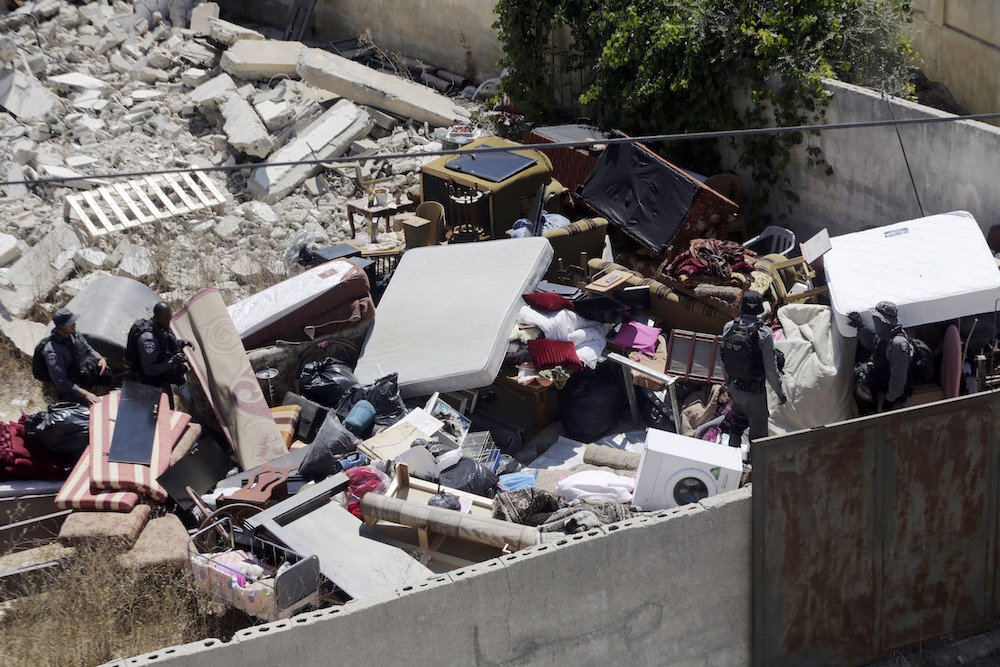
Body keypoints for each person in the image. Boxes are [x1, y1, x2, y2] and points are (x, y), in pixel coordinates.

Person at [720, 291, 787, 446]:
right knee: (758, 437)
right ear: (758, 308)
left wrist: (728, 384)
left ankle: (732, 459)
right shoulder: (764, 333)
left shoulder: (729, 327)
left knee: (737, 423)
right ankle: (756, 467)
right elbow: (770, 368)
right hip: (755, 391)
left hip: (735, 387)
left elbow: (723, 359)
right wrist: (779, 392)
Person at [848, 301, 912, 412]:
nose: (875, 322)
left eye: (877, 319)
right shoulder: (885, 337)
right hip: (880, 389)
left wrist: (889, 401)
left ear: (884, 322)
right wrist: (861, 326)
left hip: (890, 398)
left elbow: (898, 378)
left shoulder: (898, 344)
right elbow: (872, 342)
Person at [42, 307, 109, 405]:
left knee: (107, 374)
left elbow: (87, 348)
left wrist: (100, 358)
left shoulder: (74, 333)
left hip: (81, 371)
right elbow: (61, 381)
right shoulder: (53, 351)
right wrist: (86, 394)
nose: (74, 324)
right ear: (62, 327)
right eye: (70, 323)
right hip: (72, 382)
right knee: (83, 408)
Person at [131, 301, 191, 402]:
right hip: (152, 381)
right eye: (165, 320)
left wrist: (182, 342)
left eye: (169, 319)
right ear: (157, 317)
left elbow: (165, 343)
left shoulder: (161, 327)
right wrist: (172, 363)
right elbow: (149, 370)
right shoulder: (148, 340)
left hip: (163, 371)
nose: (168, 322)